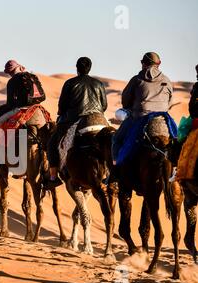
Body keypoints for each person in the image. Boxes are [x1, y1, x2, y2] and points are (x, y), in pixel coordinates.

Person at [44, 57, 108, 189]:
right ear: (90, 68)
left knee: (52, 143)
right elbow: (104, 105)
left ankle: (53, 177)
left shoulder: (70, 83)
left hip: (74, 119)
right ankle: (114, 173)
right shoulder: (99, 84)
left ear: (77, 68)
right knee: (113, 140)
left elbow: (62, 105)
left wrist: (63, 113)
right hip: (99, 118)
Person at [111, 52, 173, 166]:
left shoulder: (136, 80)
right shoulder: (167, 80)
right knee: (176, 139)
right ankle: (176, 170)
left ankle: (114, 171)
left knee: (117, 139)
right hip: (162, 118)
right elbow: (170, 102)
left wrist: (131, 108)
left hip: (139, 117)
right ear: (159, 63)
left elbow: (126, 100)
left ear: (143, 63)